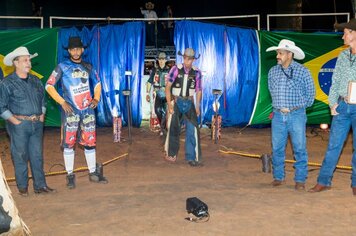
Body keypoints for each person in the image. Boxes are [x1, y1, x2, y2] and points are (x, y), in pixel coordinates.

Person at [45, 36, 108, 189]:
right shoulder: (62, 66)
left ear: (82, 50)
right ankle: (70, 175)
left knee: (90, 142)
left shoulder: (89, 66)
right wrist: (62, 102)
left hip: (87, 111)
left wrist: (96, 98)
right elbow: (49, 85)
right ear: (68, 50)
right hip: (71, 112)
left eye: (78, 48)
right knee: (68, 144)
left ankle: (93, 172)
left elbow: (98, 83)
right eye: (72, 49)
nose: (75, 51)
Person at [309, 18, 356, 195]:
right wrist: (332, 103)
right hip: (343, 106)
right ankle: (323, 181)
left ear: (353, 33)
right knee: (333, 145)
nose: (342, 35)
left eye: (345, 32)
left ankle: (355, 183)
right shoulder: (343, 55)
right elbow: (335, 81)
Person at [0, 46, 55, 196]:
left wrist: (42, 115)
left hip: (36, 123)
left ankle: (40, 186)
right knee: (20, 156)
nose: (28, 62)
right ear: (16, 63)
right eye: (25, 60)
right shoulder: (6, 83)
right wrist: (15, 121)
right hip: (19, 125)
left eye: (29, 59)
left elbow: (43, 100)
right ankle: (22, 187)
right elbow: (1, 106)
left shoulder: (36, 81)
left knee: (37, 155)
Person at [266, 39, 315, 191]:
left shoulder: (303, 71)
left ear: (289, 54)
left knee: (299, 148)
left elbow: (311, 96)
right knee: (277, 148)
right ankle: (278, 177)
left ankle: (300, 179)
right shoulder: (273, 71)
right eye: (277, 53)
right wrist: (279, 107)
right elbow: (271, 90)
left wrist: (297, 107)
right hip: (278, 115)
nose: (277, 56)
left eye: (280, 53)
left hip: (296, 115)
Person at [164, 48, 203, 167]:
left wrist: (197, 106)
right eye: (186, 58)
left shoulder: (197, 72)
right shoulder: (175, 69)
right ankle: (171, 153)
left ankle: (191, 157)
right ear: (183, 58)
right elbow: (168, 87)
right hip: (177, 101)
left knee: (192, 129)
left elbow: (199, 90)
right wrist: (169, 104)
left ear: (193, 60)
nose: (187, 61)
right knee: (174, 128)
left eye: (190, 59)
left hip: (189, 103)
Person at [146, 52, 170, 136]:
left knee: (165, 112)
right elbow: (149, 82)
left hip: (167, 94)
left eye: (163, 59)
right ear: (158, 60)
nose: (161, 61)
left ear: (166, 60)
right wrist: (147, 93)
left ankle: (163, 129)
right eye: (160, 59)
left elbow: (173, 83)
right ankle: (163, 127)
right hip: (158, 94)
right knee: (157, 110)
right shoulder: (154, 71)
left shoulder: (169, 70)